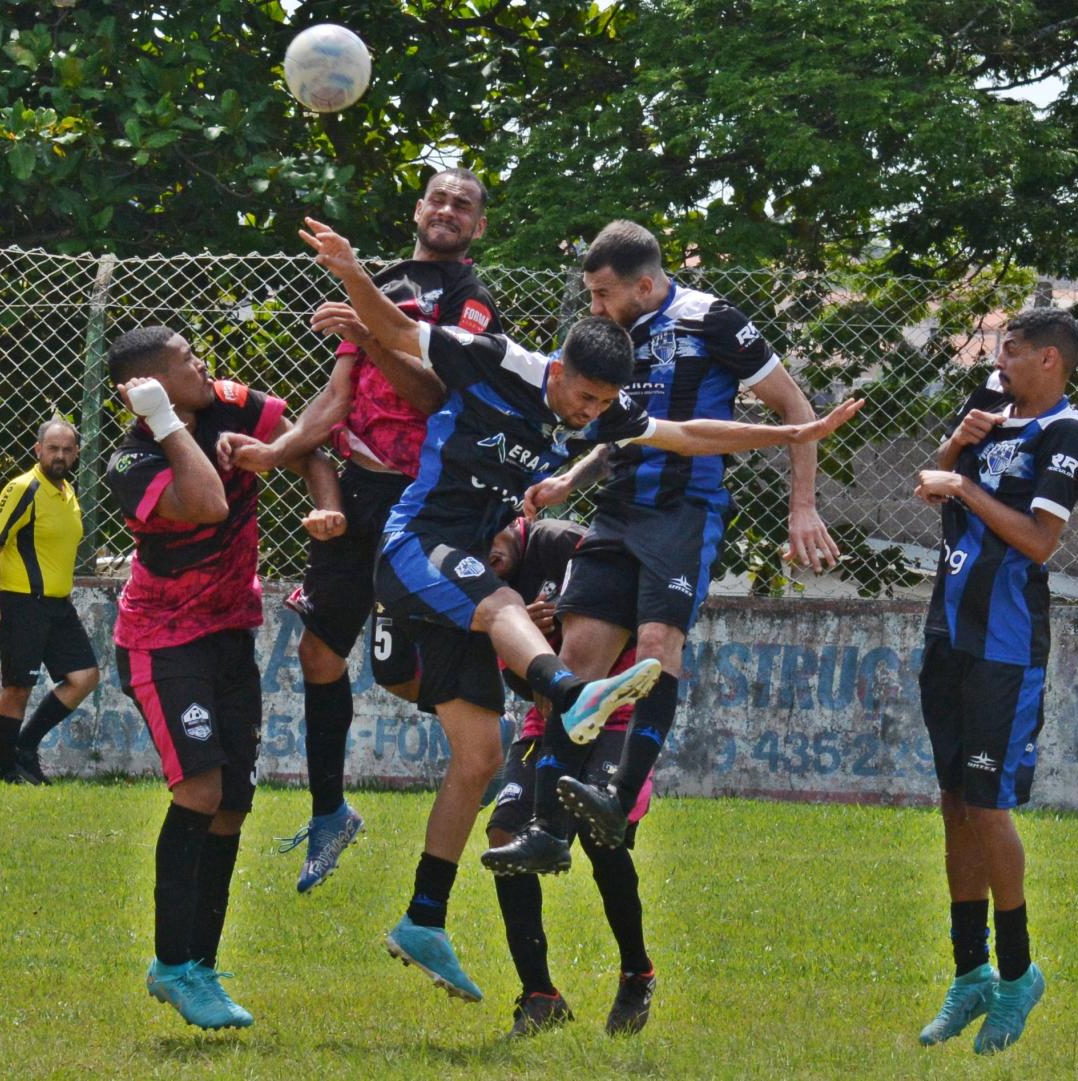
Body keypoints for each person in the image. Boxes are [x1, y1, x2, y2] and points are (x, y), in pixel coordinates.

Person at [301, 215, 862, 1003]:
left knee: (479, 759)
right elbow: (400, 328)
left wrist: (793, 429)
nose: (584, 415)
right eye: (581, 397)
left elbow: (690, 432)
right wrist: (352, 268)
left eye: (602, 405)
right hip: (417, 548)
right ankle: (574, 694)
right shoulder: (500, 361)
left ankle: (424, 915)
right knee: (504, 606)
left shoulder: (602, 412)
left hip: (467, 567)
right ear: (557, 367)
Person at [482, 218, 842, 873]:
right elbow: (625, 429)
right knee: (577, 655)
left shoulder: (714, 321)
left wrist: (803, 506)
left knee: (655, 647)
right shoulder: (613, 343)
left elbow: (796, 407)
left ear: (645, 284)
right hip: (617, 512)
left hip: (684, 512)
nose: (593, 307)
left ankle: (618, 795)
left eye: (602, 294)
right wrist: (573, 476)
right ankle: (549, 831)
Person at [226, 167, 501, 895]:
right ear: (418, 209)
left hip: (428, 502)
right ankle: (329, 813)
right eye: (438, 198)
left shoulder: (472, 304)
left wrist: (374, 335)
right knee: (319, 651)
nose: (447, 210)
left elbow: (437, 392)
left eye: (463, 205)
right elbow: (336, 397)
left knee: (399, 669)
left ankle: (499, 748)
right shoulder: (376, 282)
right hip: (362, 489)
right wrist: (274, 451)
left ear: (476, 226)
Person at [103, 326, 344, 1031]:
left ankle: (199, 968)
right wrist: (164, 419)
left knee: (233, 803)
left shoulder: (234, 403)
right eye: (184, 361)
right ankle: (171, 964)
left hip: (228, 634)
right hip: (160, 640)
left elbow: (309, 445)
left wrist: (324, 500)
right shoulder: (131, 457)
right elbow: (206, 501)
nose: (202, 363)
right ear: (148, 385)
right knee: (200, 789)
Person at [911, 307, 1078, 1055]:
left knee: (989, 806)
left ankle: (1018, 974)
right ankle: (970, 972)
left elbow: (1039, 540)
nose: (999, 361)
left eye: (1012, 351)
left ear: (1050, 360)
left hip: (1005, 645)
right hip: (947, 631)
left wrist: (962, 484)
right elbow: (934, 484)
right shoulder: (989, 405)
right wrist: (953, 454)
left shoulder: (1065, 434)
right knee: (954, 801)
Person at [481, 516, 659, 1039]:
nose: (483, 553)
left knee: (601, 834)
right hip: (547, 722)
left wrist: (561, 620)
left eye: (487, 536)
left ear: (509, 519)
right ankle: (540, 996)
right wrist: (527, 642)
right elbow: (520, 682)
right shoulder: (484, 586)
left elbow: (630, 592)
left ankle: (637, 972)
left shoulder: (565, 541)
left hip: (619, 715)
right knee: (504, 836)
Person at [0, 418, 100, 784]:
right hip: (22, 603)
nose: (59, 455)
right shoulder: (23, 488)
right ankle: (3, 773)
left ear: (76, 453)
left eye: (66, 449)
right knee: (18, 687)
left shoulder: (67, 492)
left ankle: (25, 749)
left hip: (59, 606)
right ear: (38, 450)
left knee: (84, 677)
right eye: (52, 448)